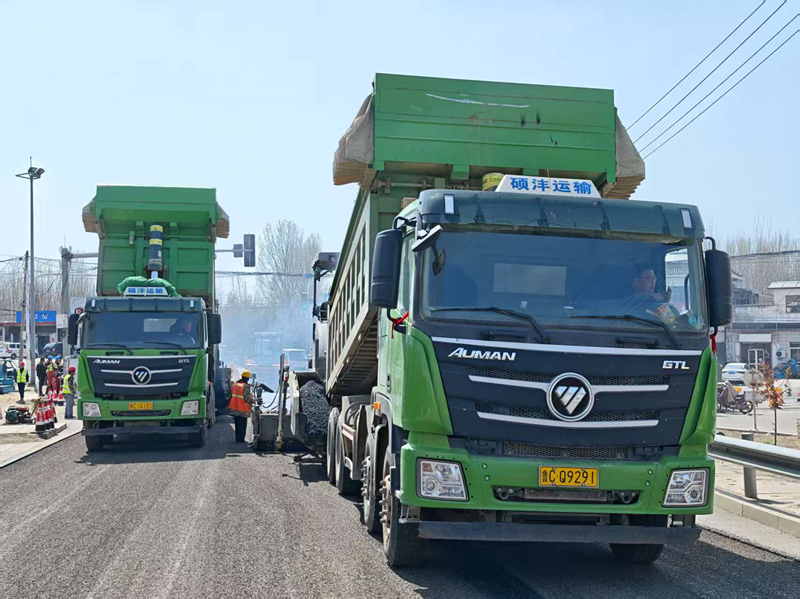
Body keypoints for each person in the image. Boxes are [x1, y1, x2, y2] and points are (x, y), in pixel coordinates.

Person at [228, 370, 254, 443]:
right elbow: (247, 398)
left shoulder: (235, 385)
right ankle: (241, 440)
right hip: (242, 409)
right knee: (242, 425)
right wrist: (253, 400)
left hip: (234, 408)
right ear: (247, 378)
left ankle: (238, 438)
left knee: (237, 424)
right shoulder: (245, 386)